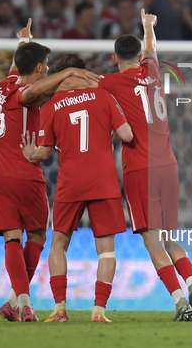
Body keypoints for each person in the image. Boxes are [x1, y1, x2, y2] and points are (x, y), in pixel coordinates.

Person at [61, 9, 192, 322]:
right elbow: (152, 49)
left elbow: (82, 83)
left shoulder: (111, 83)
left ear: (114, 58)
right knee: (170, 236)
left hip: (140, 167)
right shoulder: (153, 71)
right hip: (169, 164)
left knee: (153, 240)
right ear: (139, 56)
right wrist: (148, 26)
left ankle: (181, 301)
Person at [0, 19, 100, 322]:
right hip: (24, 172)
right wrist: (70, 71)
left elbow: (19, 68)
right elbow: (35, 89)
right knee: (36, 235)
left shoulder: (4, 85)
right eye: (47, 65)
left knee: (12, 237)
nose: (49, 69)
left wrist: (24, 42)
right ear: (39, 69)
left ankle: (16, 301)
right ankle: (24, 302)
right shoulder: (25, 93)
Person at [20, 53, 133, 323]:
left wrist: (29, 154)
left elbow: (43, 153)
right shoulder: (105, 96)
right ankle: (99, 311)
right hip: (104, 181)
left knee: (58, 244)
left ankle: (60, 308)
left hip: (71, 182)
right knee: (106, 250)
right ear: (84, 74)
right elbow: (127, 134)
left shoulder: (50, 106)